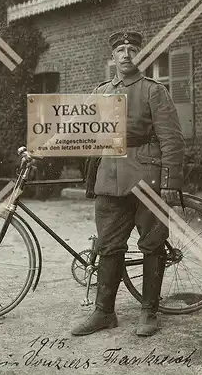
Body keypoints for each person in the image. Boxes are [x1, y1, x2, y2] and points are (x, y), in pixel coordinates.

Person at [72, 30, 185, 337]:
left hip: (146, 177)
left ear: (140, 56)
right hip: (109, 178)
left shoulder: (153, 91)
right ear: (113, 57)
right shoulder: (101, 91)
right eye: (120, 50)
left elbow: (171, 139)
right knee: (108, 245)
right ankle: (104, 313)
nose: (126, 54)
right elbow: (79, 132)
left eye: (132, 49)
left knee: (151, 243)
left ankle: (149, 311)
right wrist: (39, 151)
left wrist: (170, 182)